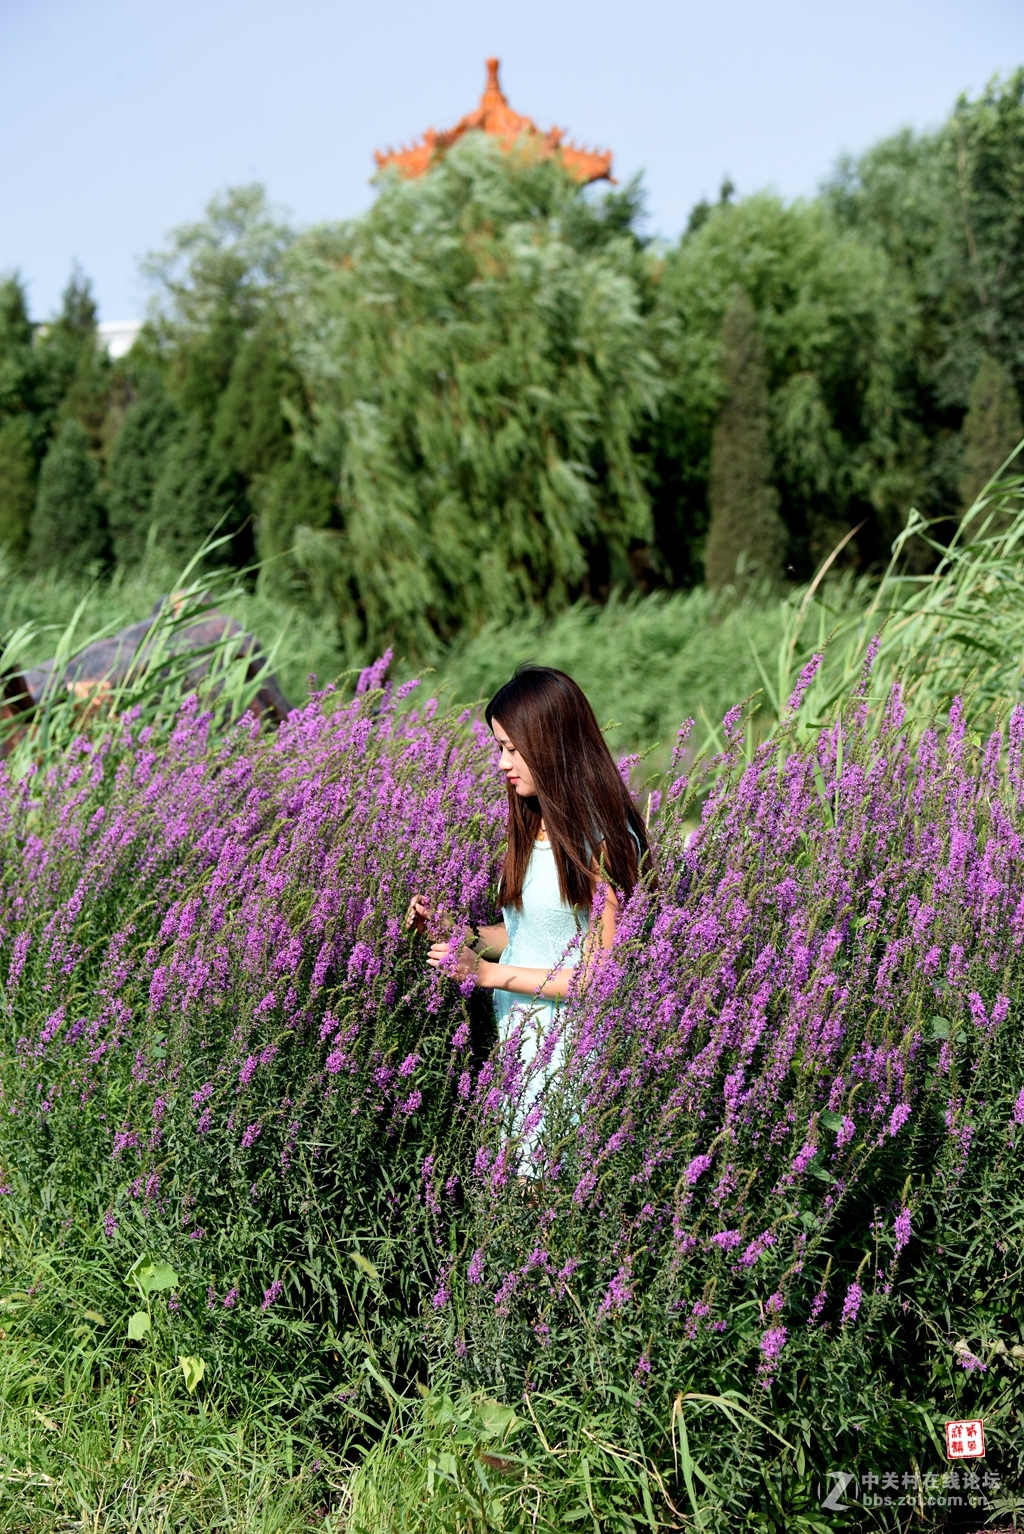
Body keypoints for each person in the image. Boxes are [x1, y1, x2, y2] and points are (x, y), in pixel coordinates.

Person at [407, 665, 650, 1148]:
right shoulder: (533, 825)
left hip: (575, 1059)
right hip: (520, 1047)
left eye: (513, 750)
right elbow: (526, 936)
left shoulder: (607, 844)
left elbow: (601, 978)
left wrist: (487, 975)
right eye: (500, 748)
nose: (503, 764)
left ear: (552, 746)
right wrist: (458, 933)